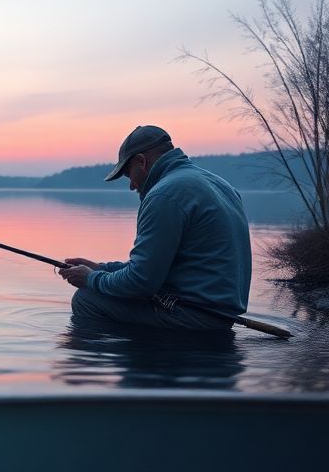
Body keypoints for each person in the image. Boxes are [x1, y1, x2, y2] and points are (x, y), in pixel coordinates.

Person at [59, 125, 251, 330]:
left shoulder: (164, 195)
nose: (131, 185)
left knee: (87, 299)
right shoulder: (218, 184)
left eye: (128, 174)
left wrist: (91, 279)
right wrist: (101, 269)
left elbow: (140, 282)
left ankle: (134, 359)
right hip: (220, 315)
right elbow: (154, 267)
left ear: (141, 161)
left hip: (193, 317)